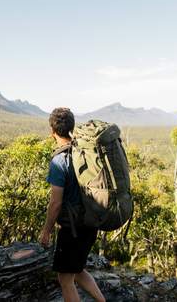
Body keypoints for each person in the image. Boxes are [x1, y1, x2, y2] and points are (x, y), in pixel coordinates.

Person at [39, 108, 106, 302]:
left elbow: (55, 203)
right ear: (72, 127)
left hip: (73, 228)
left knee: (65, 278)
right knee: (77, 269)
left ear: (52, 131)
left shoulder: (60, 160)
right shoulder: (84, 152)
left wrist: (46, 231)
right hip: (91, 221)